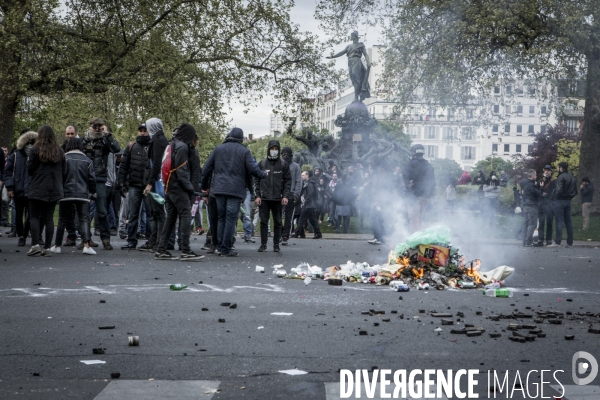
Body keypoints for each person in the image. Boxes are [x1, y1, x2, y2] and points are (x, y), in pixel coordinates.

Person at [201, 128, 266, 257]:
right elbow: (253, 169)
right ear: (241, 138)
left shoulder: (218, 149)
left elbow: (206, 168)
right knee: (231, 218)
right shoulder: (244, 151)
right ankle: (226, 248)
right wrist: (264, 174)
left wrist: (204, 188)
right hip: (235, 190)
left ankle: (219, 246)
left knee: (221, 218)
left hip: (218, 189)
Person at [154, 124, 204, 260]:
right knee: (186, 215)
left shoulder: (173, 144)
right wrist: (190, 188)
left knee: (170, 218)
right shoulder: (182, 147)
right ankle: (185, 250)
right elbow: (181, 170)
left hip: (169, 186)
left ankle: (161, 249)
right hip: (178, 187)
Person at [51, 138, 97, 255]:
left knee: (62, 220)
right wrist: (92, 194)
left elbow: (59, 177)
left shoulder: (63, 159)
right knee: (84, 219)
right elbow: (92, 179)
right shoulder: (87, 160)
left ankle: (57, 245)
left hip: (66, 194)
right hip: (83, 194)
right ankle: (86, 245)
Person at [26, 126, 66, 256]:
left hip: (38, 186)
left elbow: (30, 169)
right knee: (49, 217)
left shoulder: (35, 150)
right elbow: (64, 170)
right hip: (54, 187)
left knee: (34, 216)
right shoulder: (59, 151)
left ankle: (35, 244)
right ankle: (48, 247)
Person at [82, 117, 121, 250]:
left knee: (102, 210)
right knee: (84, 210)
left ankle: (105, 239)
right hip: (85, 178)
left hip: (100, 178)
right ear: (90, 126)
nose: (97, 128)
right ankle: (85, 238)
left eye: (100, 126)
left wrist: (107, 135)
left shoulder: (105, 140)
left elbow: (116, 149)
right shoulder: (84, 140)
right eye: (95, 126)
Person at [118, 123, 152, 250]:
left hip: (148, 186)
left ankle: (150, 240)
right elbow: (124, 166)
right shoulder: (131, 147)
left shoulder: (152, 147)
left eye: (145, 131)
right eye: (140, 131)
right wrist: (121, 183)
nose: (142, 133)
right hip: (134, 185)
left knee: (150, 215)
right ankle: (131, 240)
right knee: (133, 215)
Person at [254, 140, 291, 252]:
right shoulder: (262, 163)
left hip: (278, 198)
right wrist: (257, 195)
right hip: (264, 198)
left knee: (278, 222)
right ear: (268, 149)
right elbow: (256, 180)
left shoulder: (283, 164)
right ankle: (263, 244)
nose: (274, 151)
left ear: (279, 150)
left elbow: (288, 181)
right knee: (264, 222)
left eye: (276, 149)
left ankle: (276, 244)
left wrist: (285, 196)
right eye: (272, 148)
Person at [3, 130, 37, 247]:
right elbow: (6, 172)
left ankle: (25, 233)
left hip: (32, 190)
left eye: (32, 142)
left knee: (30, 215)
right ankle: (21, 236)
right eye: (28, 142)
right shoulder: (15, 156)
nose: (30, 145)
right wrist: (10, 187)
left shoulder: (37, 157)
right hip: (18, 189)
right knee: (18, 214)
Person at [326, 30, 371, 102]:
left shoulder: (361, 45)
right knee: (353, 79)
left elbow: (365, 54)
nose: (351, 37)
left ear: (355, 36)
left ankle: (356, 97)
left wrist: (368, 62)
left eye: (352, 35)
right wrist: (332, 56)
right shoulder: (349, 46)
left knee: (356, 78)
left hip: (357, 61)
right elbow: (341, 52)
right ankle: (357, 95)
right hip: (350, 61)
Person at [403, 144, 435, 232]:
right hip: (425, 197)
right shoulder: (429, 165)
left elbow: (405, 178)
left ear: (413, 153)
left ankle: (414, 241)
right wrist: (428, 195)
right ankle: (422, 240)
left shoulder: (410, 164)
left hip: (414, 196)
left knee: (413, 220)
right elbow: (432, 182)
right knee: (420, 219)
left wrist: (408, 184)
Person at [548, 162, 577, 248]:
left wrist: (554, 197)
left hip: (560, 200)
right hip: (568, 201)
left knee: (559, 221)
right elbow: (575, 191)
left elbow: (559, 190)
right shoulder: (572, 177)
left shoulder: (561, 177)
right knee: (568, 221)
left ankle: (558, 242)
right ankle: (570, 242)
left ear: (560, 168)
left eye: (558, 167)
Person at [292, 170, 322, 239]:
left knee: (301, 218)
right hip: (310, 205)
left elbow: (310, 195)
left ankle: (297, 233)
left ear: (307, 175)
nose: (301, 176)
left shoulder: (309, 184)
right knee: (313, 220)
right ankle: (318, 233)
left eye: (303, 175)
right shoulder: (307, 183)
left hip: (308, 205)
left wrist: (304, 203)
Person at [280, 147, 301, 245]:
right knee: (278, 216)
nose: (285, 155)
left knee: (289, 217)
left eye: (287, 153)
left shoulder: (296, 166)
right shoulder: (278, 165)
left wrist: (296, 195)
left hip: (291, 195)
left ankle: (285, 236)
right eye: (283, 153)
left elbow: (298, 181)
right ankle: (279, 234)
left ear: (291, 155)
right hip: (279, 195)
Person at [520, 169, 541, 247]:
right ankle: (528, 241)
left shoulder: (524, 184)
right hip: (532, 206)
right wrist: (541, 187)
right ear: (532, 176)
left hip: (525, 205)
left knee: (526, 224)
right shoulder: (531, 185)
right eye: (535, 175)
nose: (536, 176)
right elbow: (538, 194)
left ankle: (524, 241)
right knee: (532, 224)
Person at [537, 165, 556, 246]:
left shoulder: (554, 181)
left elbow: (555, 192)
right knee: (541, 224)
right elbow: (537, 192)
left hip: (550, 204)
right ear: (543, 171)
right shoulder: (540, 181)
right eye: (545, 170)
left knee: (549, 224)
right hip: (541, 204)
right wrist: (542, 194)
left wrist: (548, 195)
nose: (547, 171)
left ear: (551, 171)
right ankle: (540, 240)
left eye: (548, 170)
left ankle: (548, 240)